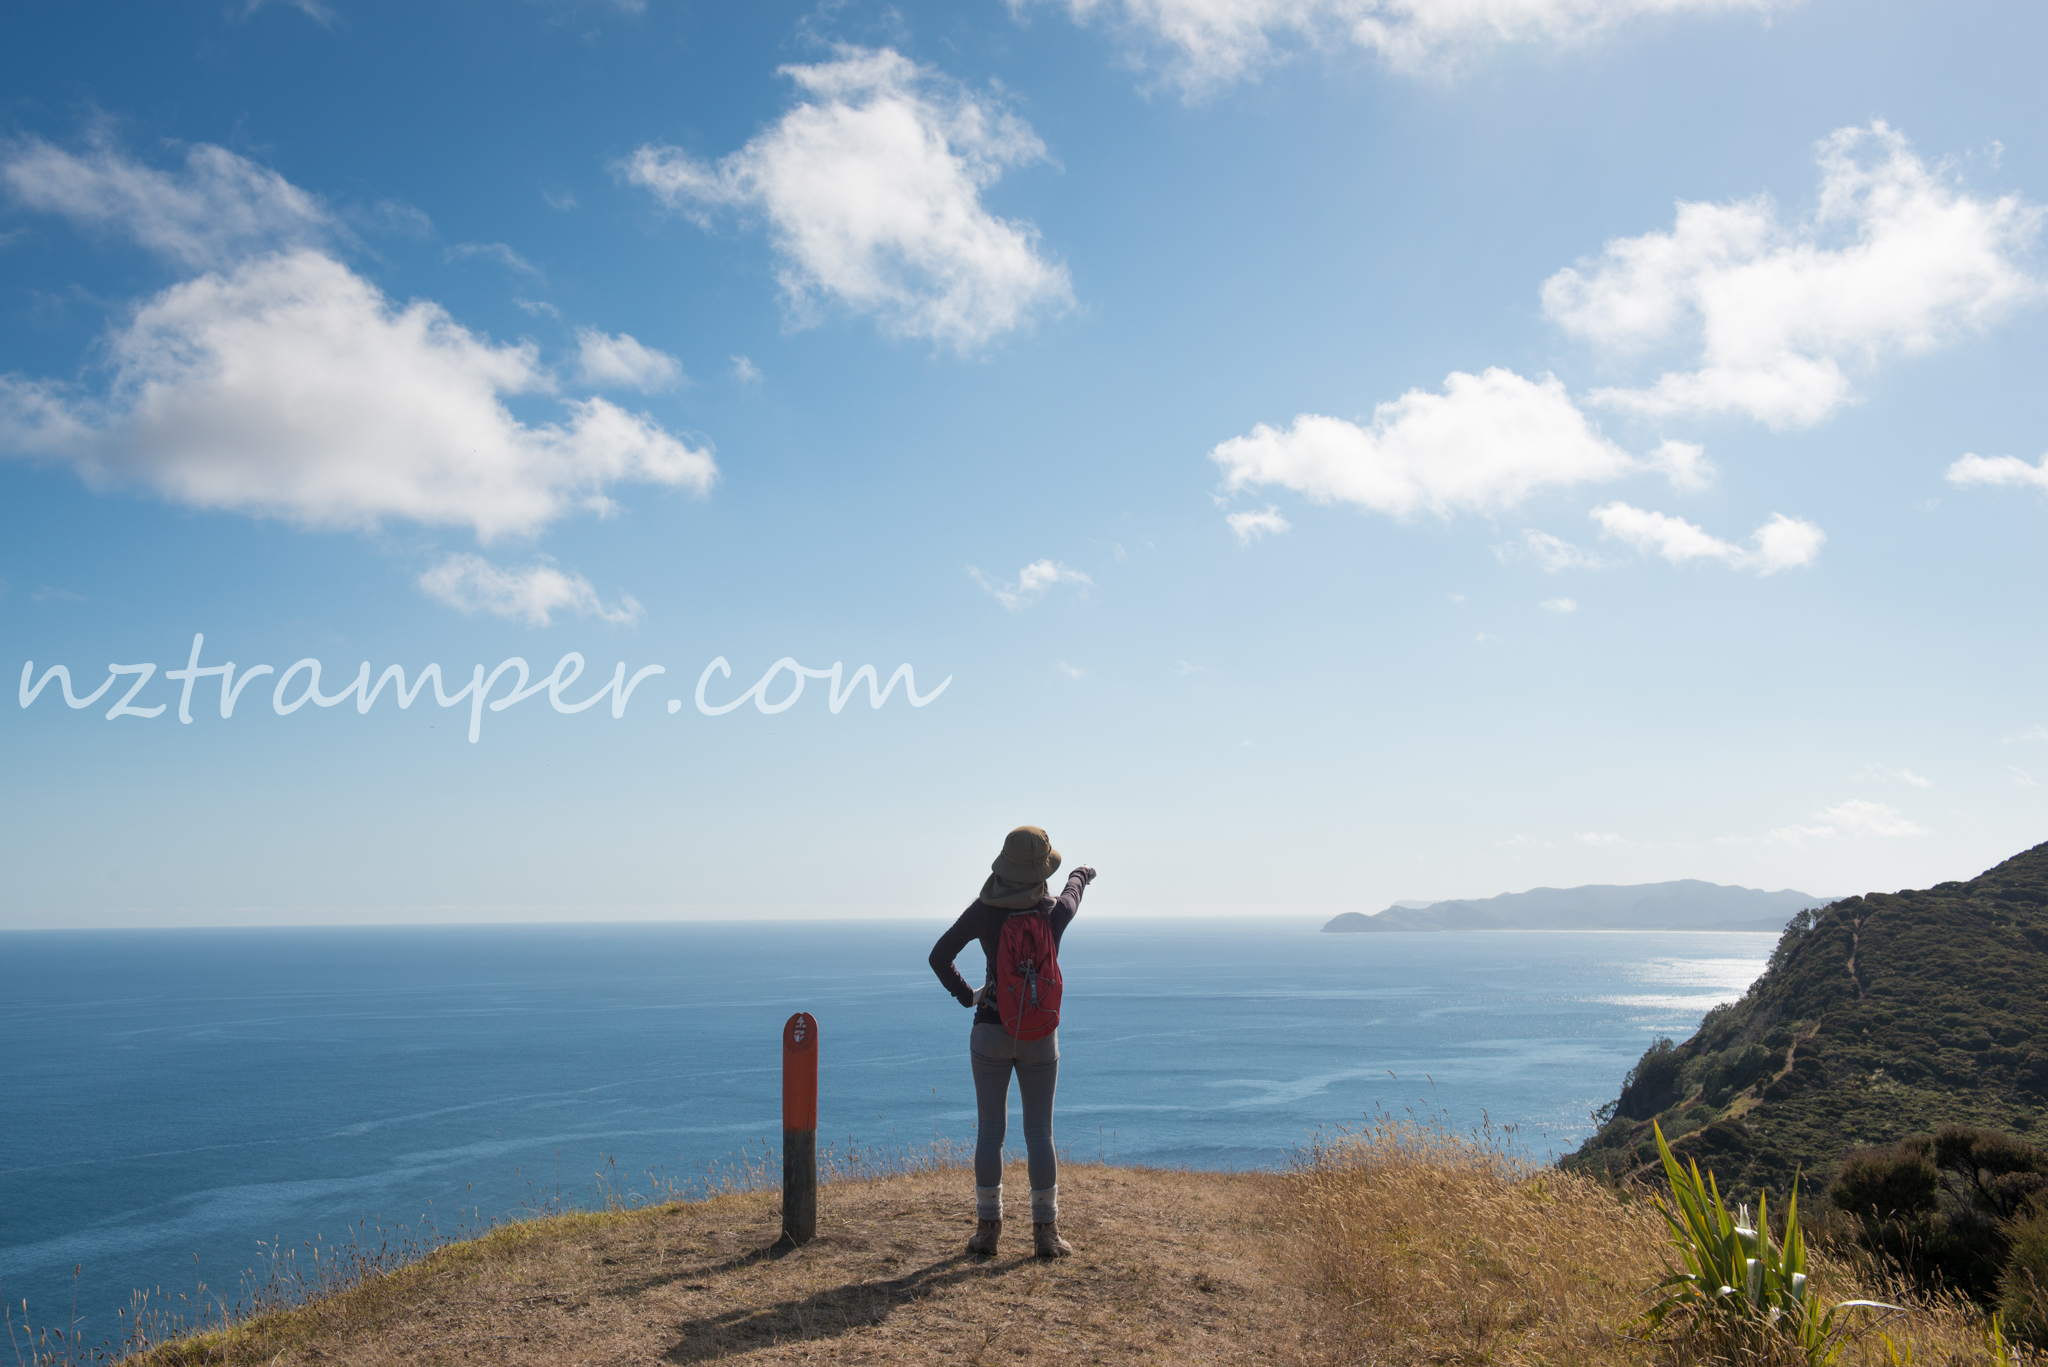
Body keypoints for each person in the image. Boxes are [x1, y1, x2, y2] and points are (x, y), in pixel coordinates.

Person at [928, 825, 1096, 1259]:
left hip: (991, 1030)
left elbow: (939, 955)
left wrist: (969, 997)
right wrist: (1081, 873)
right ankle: (1046, 1235)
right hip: (1040, 1034)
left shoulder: (984, 910)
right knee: (1040, 1132)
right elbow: (1073, 892)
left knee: (990, 1132)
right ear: (1042, 869)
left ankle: (987, 1232)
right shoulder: (1053, 911)